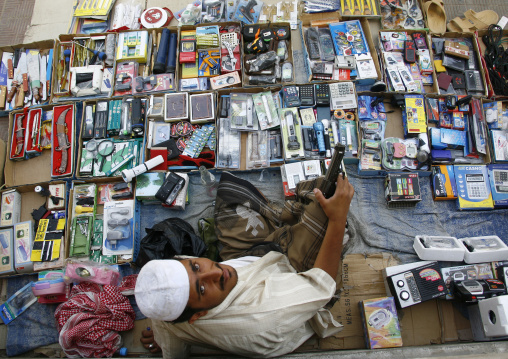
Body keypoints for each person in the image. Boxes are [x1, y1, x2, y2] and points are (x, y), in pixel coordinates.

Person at [135, 172, 354, 358]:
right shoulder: (267, 315)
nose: (214, 272)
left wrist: (163, 342)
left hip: (255, 258)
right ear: (197, 316)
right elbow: (321, 286)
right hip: (290, 279)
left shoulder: (167, 309)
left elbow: (170, 335)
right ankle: (299, 228)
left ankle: (287, 228)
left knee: (229, 191)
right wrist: (338, 218)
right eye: (201, 289)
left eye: (195, 267)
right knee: (324, 205)